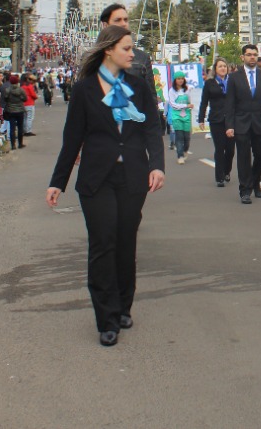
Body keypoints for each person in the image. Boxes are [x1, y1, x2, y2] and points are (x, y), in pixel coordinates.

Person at [46, 25, 166, 347]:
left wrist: (156, 165)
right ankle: (106, 318)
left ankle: (124, 305)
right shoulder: (85, 89)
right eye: (127, 48)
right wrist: (58, 182)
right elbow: (72, 139)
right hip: (96, 179)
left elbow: (152, 127)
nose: (132, 53)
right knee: (103, 244)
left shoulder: (138, 86)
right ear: (109, 49)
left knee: (126, 242)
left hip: (132, 178)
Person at [224, 45, 261, 205]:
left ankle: (256, 182)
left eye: (255, 55)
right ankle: (245, 189)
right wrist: (229, 125)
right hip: (241, 123)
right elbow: (230, 104)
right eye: (249, 55)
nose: (252, 57)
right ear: (243, 57)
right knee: (243, 157)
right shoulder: (234, 77)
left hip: (260, 122)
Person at [199, 59, 234, 187]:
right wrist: (201, 118)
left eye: (225, 66)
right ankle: (219, 177)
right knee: (220, 148)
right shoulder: (210, 83)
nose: (223, 68)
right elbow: (204, 102)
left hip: (231, 120)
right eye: (220, 66)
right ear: (215, 69)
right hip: (216, 119)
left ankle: (226, 171)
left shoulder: (232, 82)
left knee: (230, 150)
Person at [99, 4, 153, 82]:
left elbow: (150, 93)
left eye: (126, 20)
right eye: (118, 20)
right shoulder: (92, 58)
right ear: (105, 25)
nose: (123, 24)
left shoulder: (142, 59)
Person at [166, 75, 193, 164]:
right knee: (179, 137)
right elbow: (173, 105)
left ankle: (185, 150)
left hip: (186, 115)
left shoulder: (187, 89)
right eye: (178, 79)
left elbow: (189, 101)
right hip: (176, 116)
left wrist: (190, 106)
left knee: (187, 137)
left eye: (182, 78)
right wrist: (185, 106)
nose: (180, 80)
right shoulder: (172, 91)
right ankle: (180, 156)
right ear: (175, 80)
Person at [2, 74, 27, 151]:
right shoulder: (21, 90)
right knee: (20, 127)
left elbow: (5, 99)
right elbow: (25, 99)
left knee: (12, 128)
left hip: (11, 110)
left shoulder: (7, 90)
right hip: (20, 110)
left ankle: (13, 145)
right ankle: (20, 143)